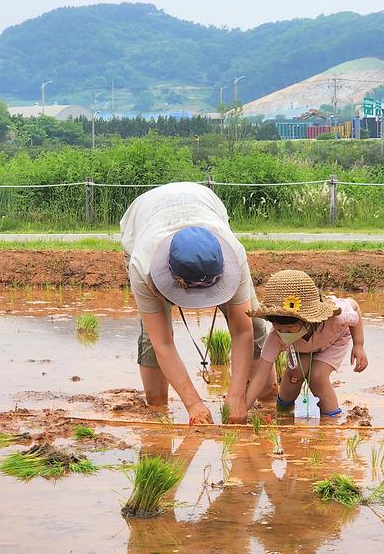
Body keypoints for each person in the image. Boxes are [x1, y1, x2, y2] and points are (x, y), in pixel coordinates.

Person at [120, 182, 271, 424]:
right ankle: (157, 411)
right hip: (146, 218)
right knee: (152, 334)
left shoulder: (232, 251)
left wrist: (236, 395)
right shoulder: (144, 264)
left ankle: (267, 400)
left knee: (255, 324)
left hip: (202, 204)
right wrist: (194, 404)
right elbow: (163, 343)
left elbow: (243, 331)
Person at [244, 270, 368, 417]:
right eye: (278, 328)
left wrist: (358, 344)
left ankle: (331, 423)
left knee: (317, 377)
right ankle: (283, 414)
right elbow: (260, 376)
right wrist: (243, 407)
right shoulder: (277, 337)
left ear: (307, 320)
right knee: (294, 374)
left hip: (334, 340)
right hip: (301, 346)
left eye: (290, 329)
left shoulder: (337, 317)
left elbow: (355, 306)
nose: (284, 333)